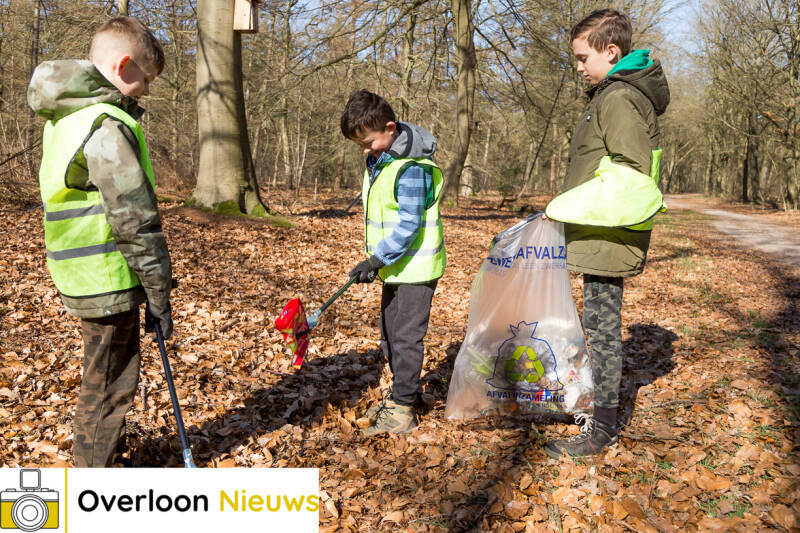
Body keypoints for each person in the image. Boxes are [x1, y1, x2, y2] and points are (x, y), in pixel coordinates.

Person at [28, 16, 172, 466]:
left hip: (79, 272)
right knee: (109, 388)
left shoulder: (65, 117)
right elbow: (135, 220)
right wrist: (159, 293)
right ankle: (93, 483)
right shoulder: (105, 125)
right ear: (123, 65)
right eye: (146, 79)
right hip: (107, 277)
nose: (146, 91)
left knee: (100, 380)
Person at [542, 9, 669, 458]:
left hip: (609, 233)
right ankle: (596, 413)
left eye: (582, 57)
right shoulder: (610, 95)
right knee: (598, 327)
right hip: (599, 230)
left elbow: (631, 176)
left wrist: (565, 206)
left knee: (602, 330)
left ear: (610, 51)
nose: (578, 67)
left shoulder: (618, 98)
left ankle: (602, 431)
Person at [340, 90, 446, 435]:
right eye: (360, 146)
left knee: (405, 337)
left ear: (389, 128)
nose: (366, 150)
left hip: (415, 268)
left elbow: (409, 225)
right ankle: (405, 394)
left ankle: (402, 410)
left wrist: (375, 259)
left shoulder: (411, 168)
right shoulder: (382, 161)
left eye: (369, 142)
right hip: (395, 268)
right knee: (388, 335)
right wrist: (377, 263)